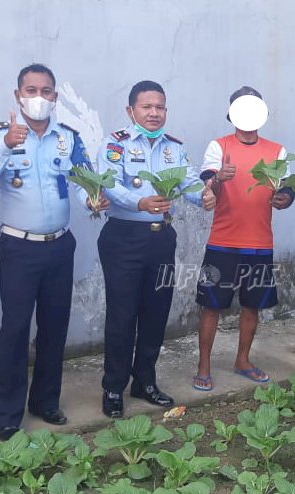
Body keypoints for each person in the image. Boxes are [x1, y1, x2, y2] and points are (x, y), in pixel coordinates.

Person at [0, 63, 106, 441]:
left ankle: (45, 401)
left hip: (60, 245)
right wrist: (5, 145)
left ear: (55, 97)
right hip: (18, 247)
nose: (39, 98)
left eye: (46, 91)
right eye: (31, 90)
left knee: (54, 325)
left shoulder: (68, 138)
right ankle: (7, 415)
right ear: (18, 96)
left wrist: (93, 200)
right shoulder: (1, 135)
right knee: (15, 330)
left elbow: (83, 181)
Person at [94, 80, 215, 419]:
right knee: (122, 315)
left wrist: (204, 195)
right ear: (131, 110)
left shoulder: (172, 147)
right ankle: (113, 387)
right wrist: (140, 202)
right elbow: (109, 183)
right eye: (147, 107)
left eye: (160, 107)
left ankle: (144, 380)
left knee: (155, 311)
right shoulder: (114, 145)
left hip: (161, 239)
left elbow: (188, 180)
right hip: (123, 238)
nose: (154, 113)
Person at [193, 86, 294, 391]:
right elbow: (209, 189)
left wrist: (284, 199)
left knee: (252, 306)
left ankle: (242, 361)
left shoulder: (277, 151)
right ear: (232, 112)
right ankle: (204, 366)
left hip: (260, 243)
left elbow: (286, 191)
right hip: (222, 241)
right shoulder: (218, 147)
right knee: (211, 306)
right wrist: (217, 179)